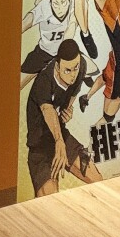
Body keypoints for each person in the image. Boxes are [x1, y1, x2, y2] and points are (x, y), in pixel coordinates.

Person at [23, 39, 103, 198]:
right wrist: (58, 141)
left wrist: (67, 112)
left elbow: (70, 97)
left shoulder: (80, 68)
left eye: (75, 68)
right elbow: (48, 109)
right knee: (50, 200)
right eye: (67, 70)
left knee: (99, 181)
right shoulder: (44, 81)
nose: (73, 74)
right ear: (57, 66)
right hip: (40, 147)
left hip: (63, 137)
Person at [20, 0, 77, 90]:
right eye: (55, 3)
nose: (60, 8)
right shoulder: (44, 6)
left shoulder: (75, 2)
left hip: (63, 55)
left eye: (63, 3)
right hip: (43, 52)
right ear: (50, 1)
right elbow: (26, 22)